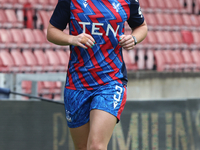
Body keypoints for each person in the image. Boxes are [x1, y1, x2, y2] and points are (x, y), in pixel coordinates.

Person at [47, 0, 147, 149]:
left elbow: (141, 26)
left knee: (96, 146)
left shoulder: (128, 1)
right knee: (82, 147)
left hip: (111, 81)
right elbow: (51, 31)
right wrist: (72, 39)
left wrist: (133, 38)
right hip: (77, 84)